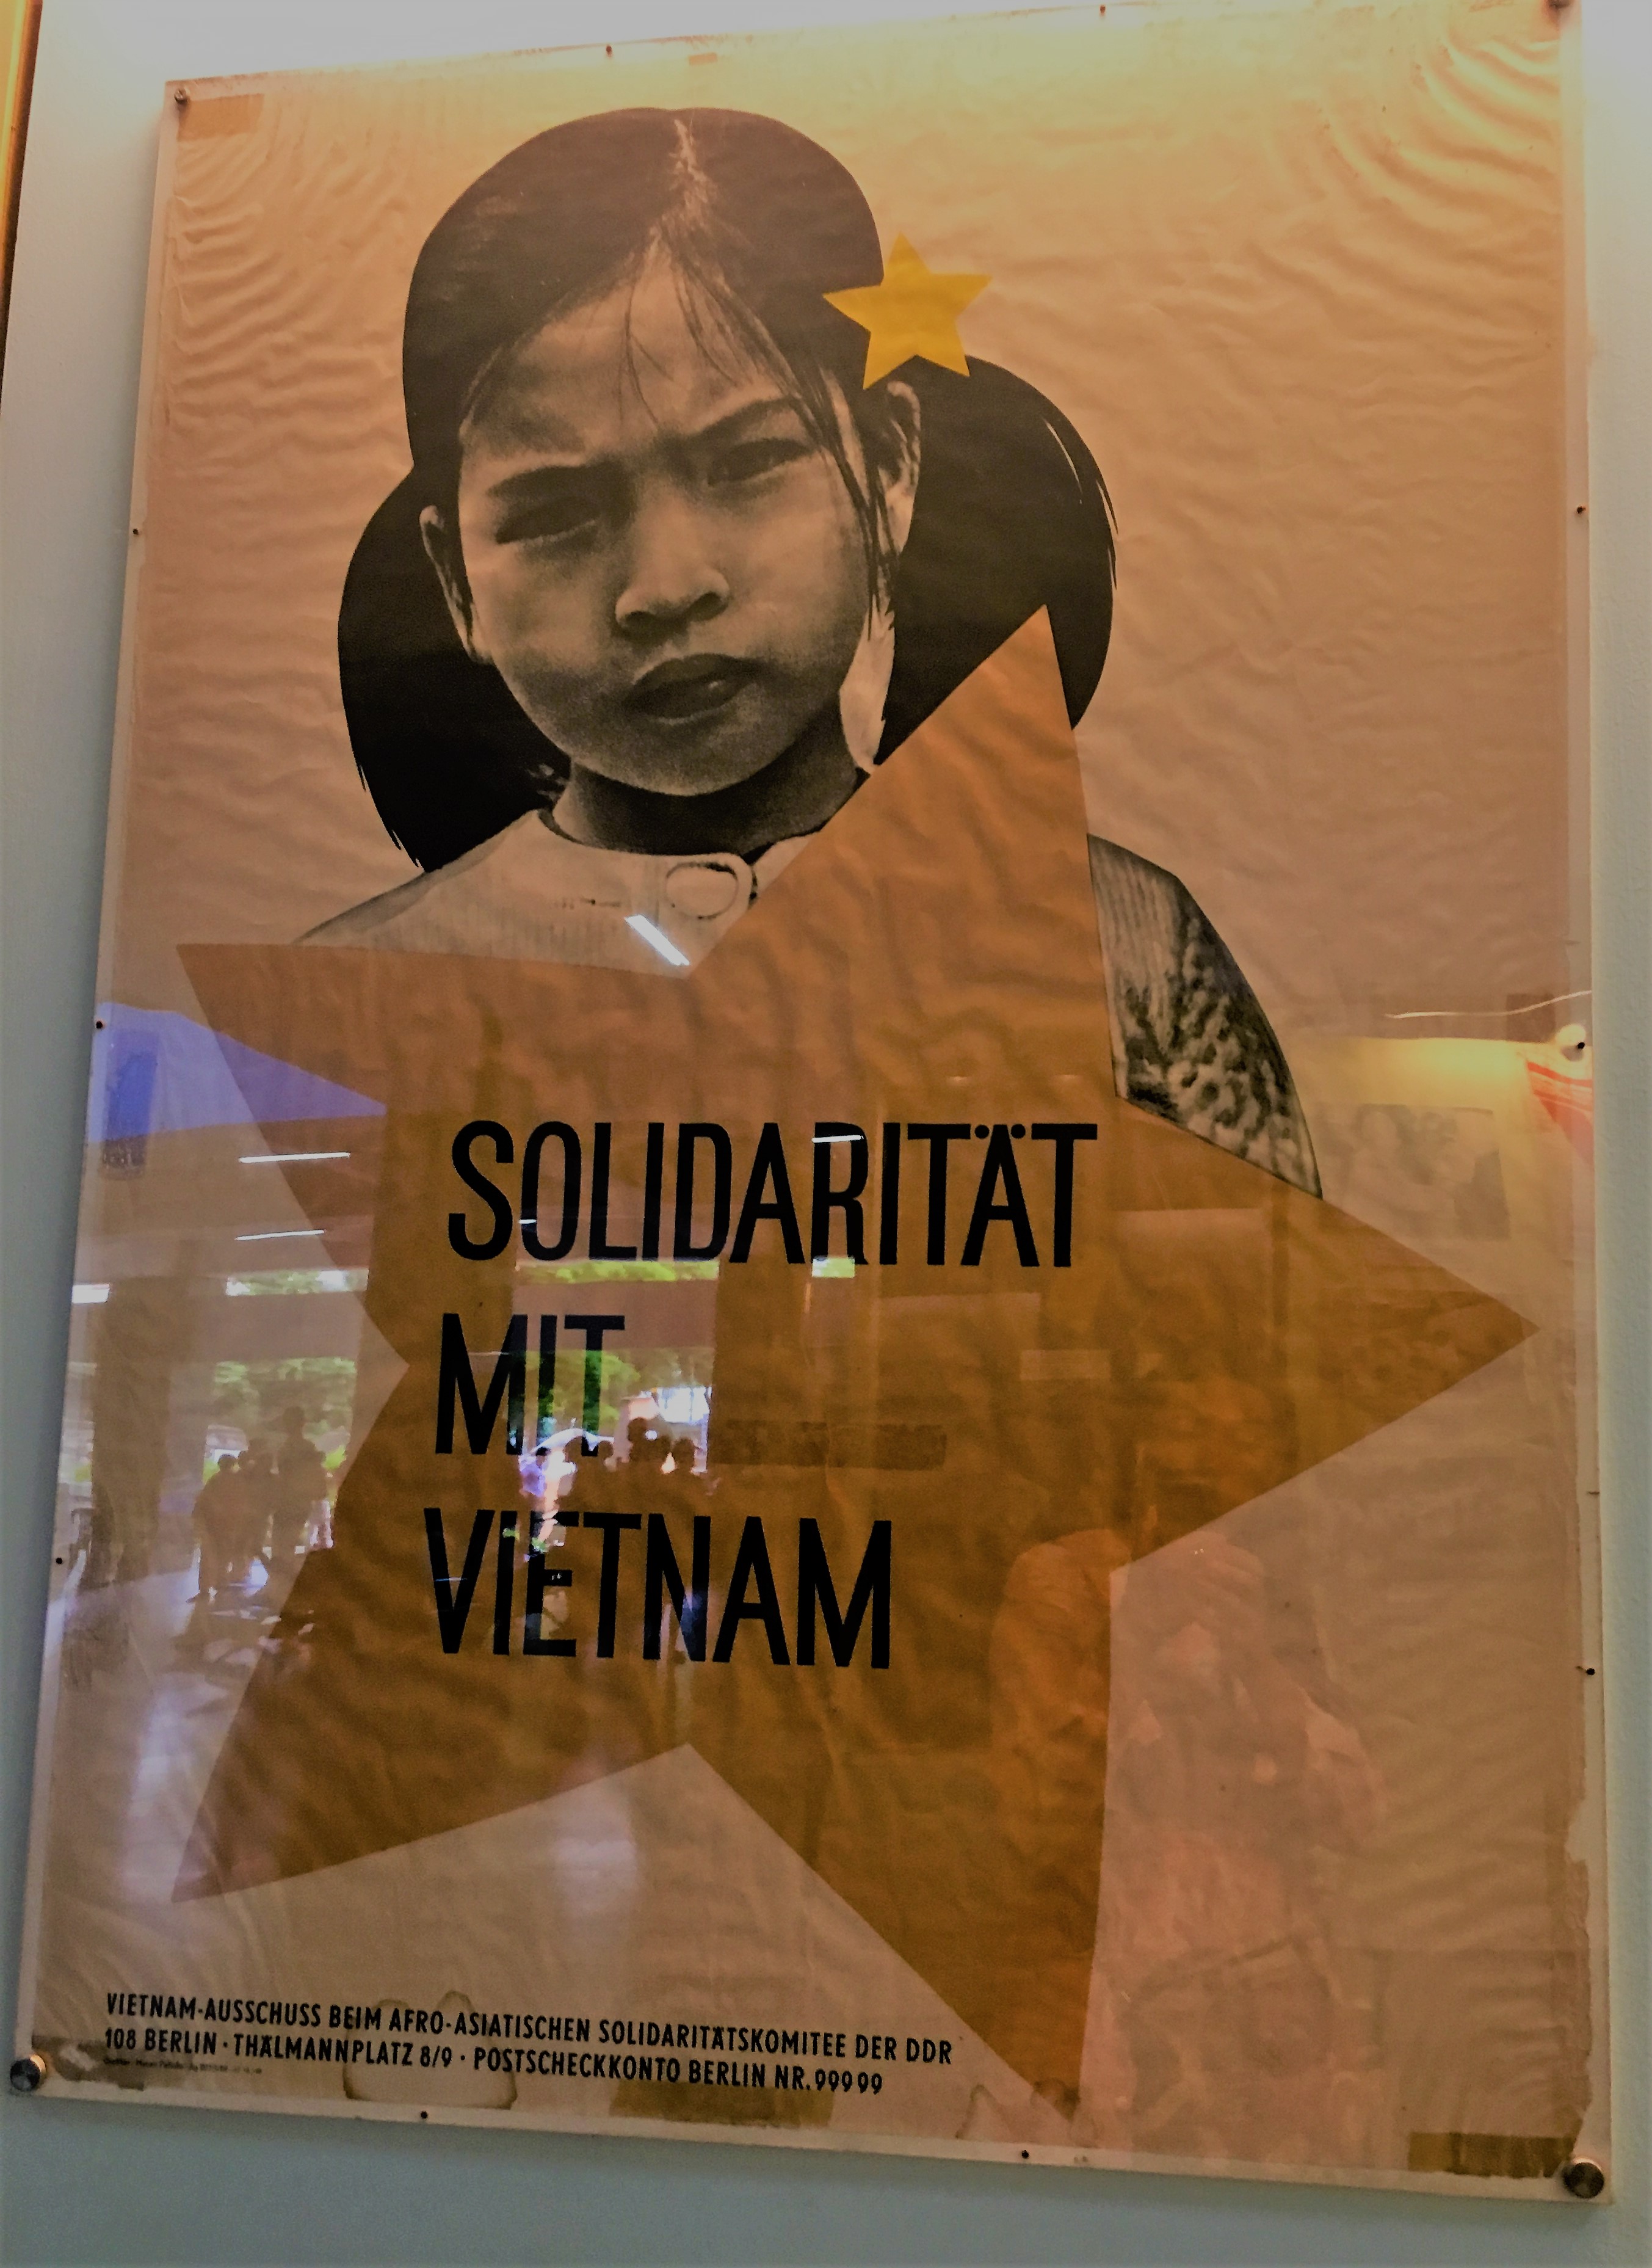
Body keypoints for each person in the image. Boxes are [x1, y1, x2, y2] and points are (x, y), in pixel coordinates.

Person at [308, 109, 1316, 1194]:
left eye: (747, 462)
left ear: (888, 466)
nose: (665, 586)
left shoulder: (1125, 943)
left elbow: (1265, 1289)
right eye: (555, 512)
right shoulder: (340, 1002)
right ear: (456, 580)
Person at [191, 1453, 246, 1602]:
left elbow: (202, 1502)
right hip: (227, 1526)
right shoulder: (236, 1481)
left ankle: (205, 1589)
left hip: (214, 1525)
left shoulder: (215, 1480)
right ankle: (220, 1587)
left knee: (208, 1558)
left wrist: (198, 1518)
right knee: (223, 1557)